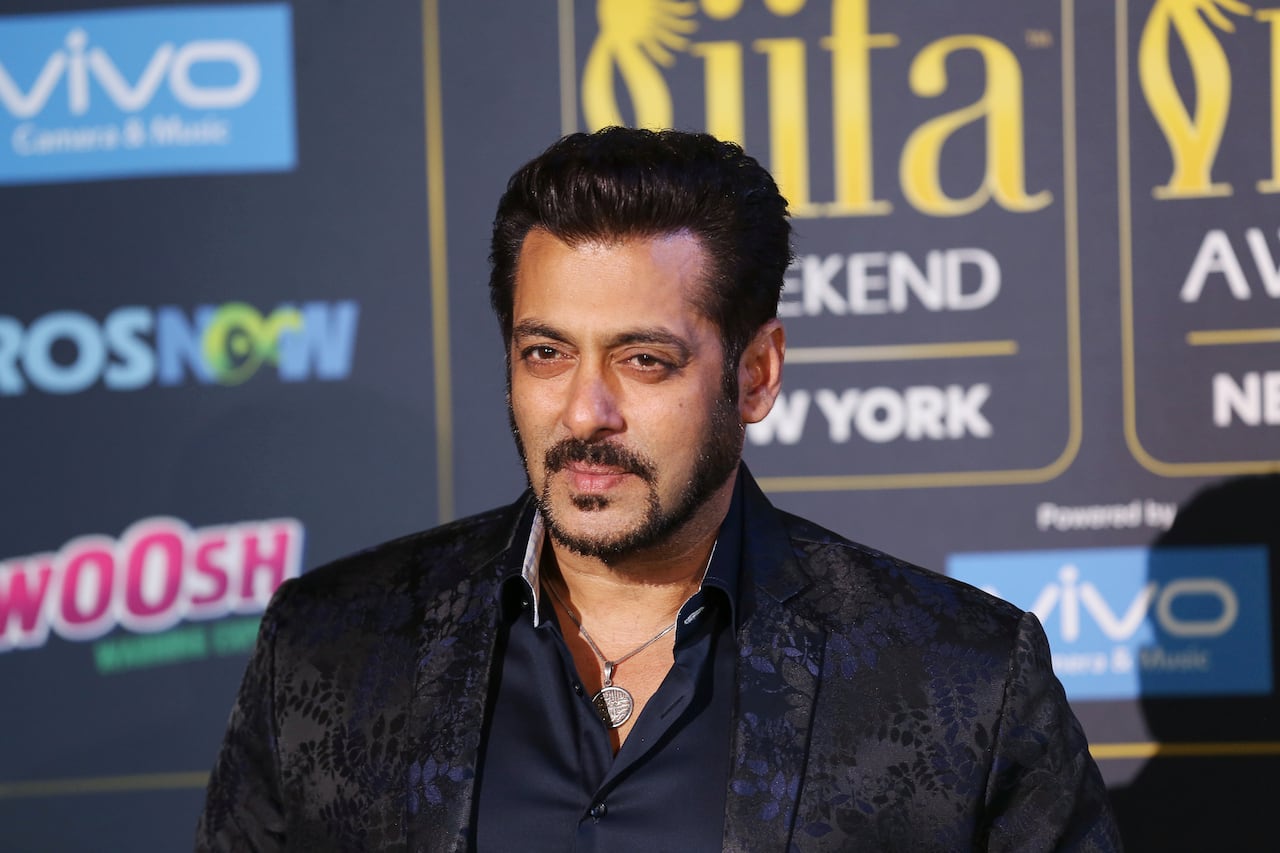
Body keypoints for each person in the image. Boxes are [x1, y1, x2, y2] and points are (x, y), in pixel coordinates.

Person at [196, 127, 1120, 851]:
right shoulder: (330, 649)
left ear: (755, 373)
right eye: (546, 353)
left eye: (645, 359)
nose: (585, 410)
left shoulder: (961, 676)